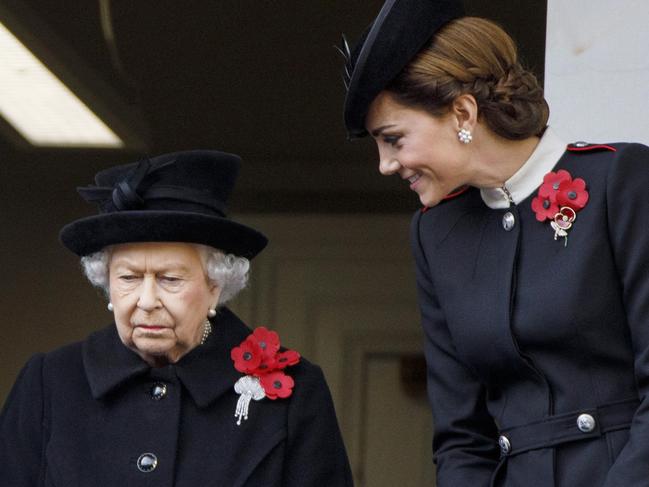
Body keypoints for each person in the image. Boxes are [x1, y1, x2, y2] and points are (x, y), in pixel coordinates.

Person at [339, 1, 649, 486]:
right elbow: (461, 438)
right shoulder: (435, 233)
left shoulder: (621, 181)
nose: (385, 164)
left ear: (463, 111)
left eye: (394, 139)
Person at [0, 150, 353, 486]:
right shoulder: (50, 382)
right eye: (129, 278)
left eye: (170, 279)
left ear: (216, 285)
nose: (147, 300)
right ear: (106, 283)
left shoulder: (294, 394)